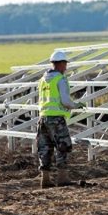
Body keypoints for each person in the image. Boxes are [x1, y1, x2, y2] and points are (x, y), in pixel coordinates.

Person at [37, 50, 85, 188]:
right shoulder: (60, 79)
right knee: (63, 146)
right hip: (56, 118)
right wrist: (75, 105)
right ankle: (62, 178)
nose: (66, 67)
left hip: (43, 117)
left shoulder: (43, 80)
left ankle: (45, 179)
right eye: (65, 64)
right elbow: (65, 101)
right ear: (60, 64)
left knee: (45, 148)